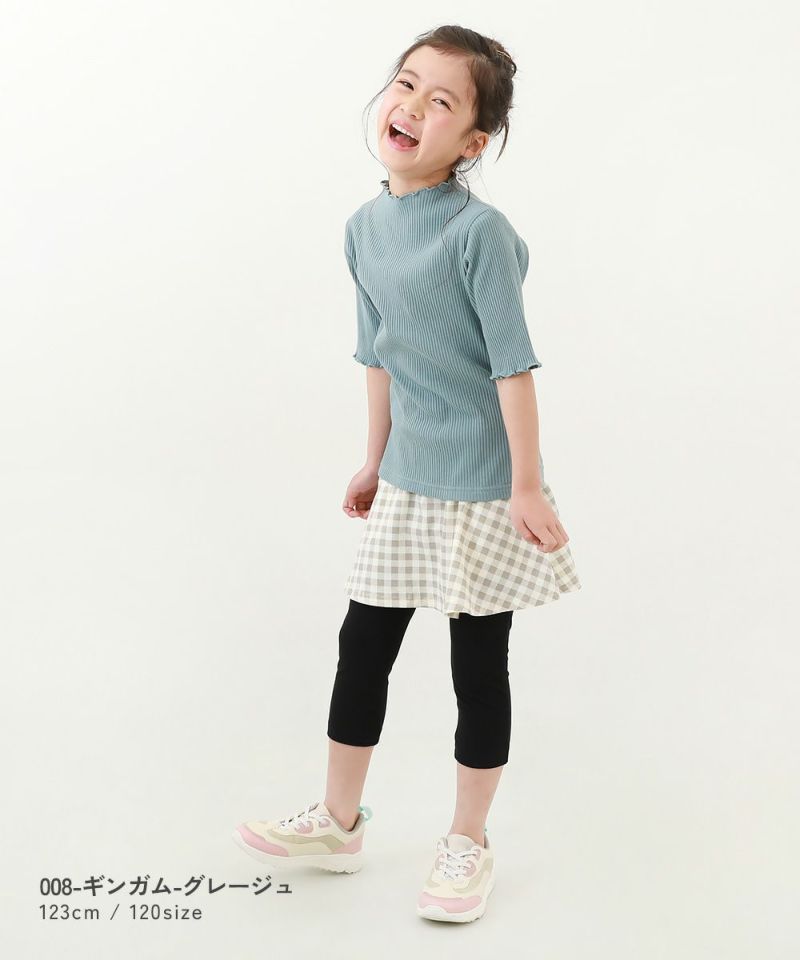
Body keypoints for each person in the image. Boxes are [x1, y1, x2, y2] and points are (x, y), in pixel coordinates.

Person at [233, 25, 582, 924]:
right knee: (364, 646)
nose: (412, 107)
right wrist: (373, 459)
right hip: (408, 478)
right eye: (406, 85)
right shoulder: (363, 229)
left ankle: (468, 841)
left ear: (472, 142)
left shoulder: (480, 235)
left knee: (478, 666)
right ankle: (338, 822)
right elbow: (378, 354)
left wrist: (527, 485)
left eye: (442, 101)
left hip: (485, 486)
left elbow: (513, 368)